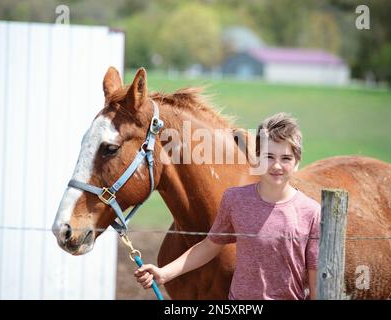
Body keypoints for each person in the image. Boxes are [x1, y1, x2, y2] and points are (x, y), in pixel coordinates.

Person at [134, 113, 321, 300]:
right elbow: (208, 246)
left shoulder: (311, 212)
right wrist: (164, 273)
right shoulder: (235, 200)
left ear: (297, 162)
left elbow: (314, 278)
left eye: (286, 158)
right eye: (269, 156)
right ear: (256, 158)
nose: (277, 166)